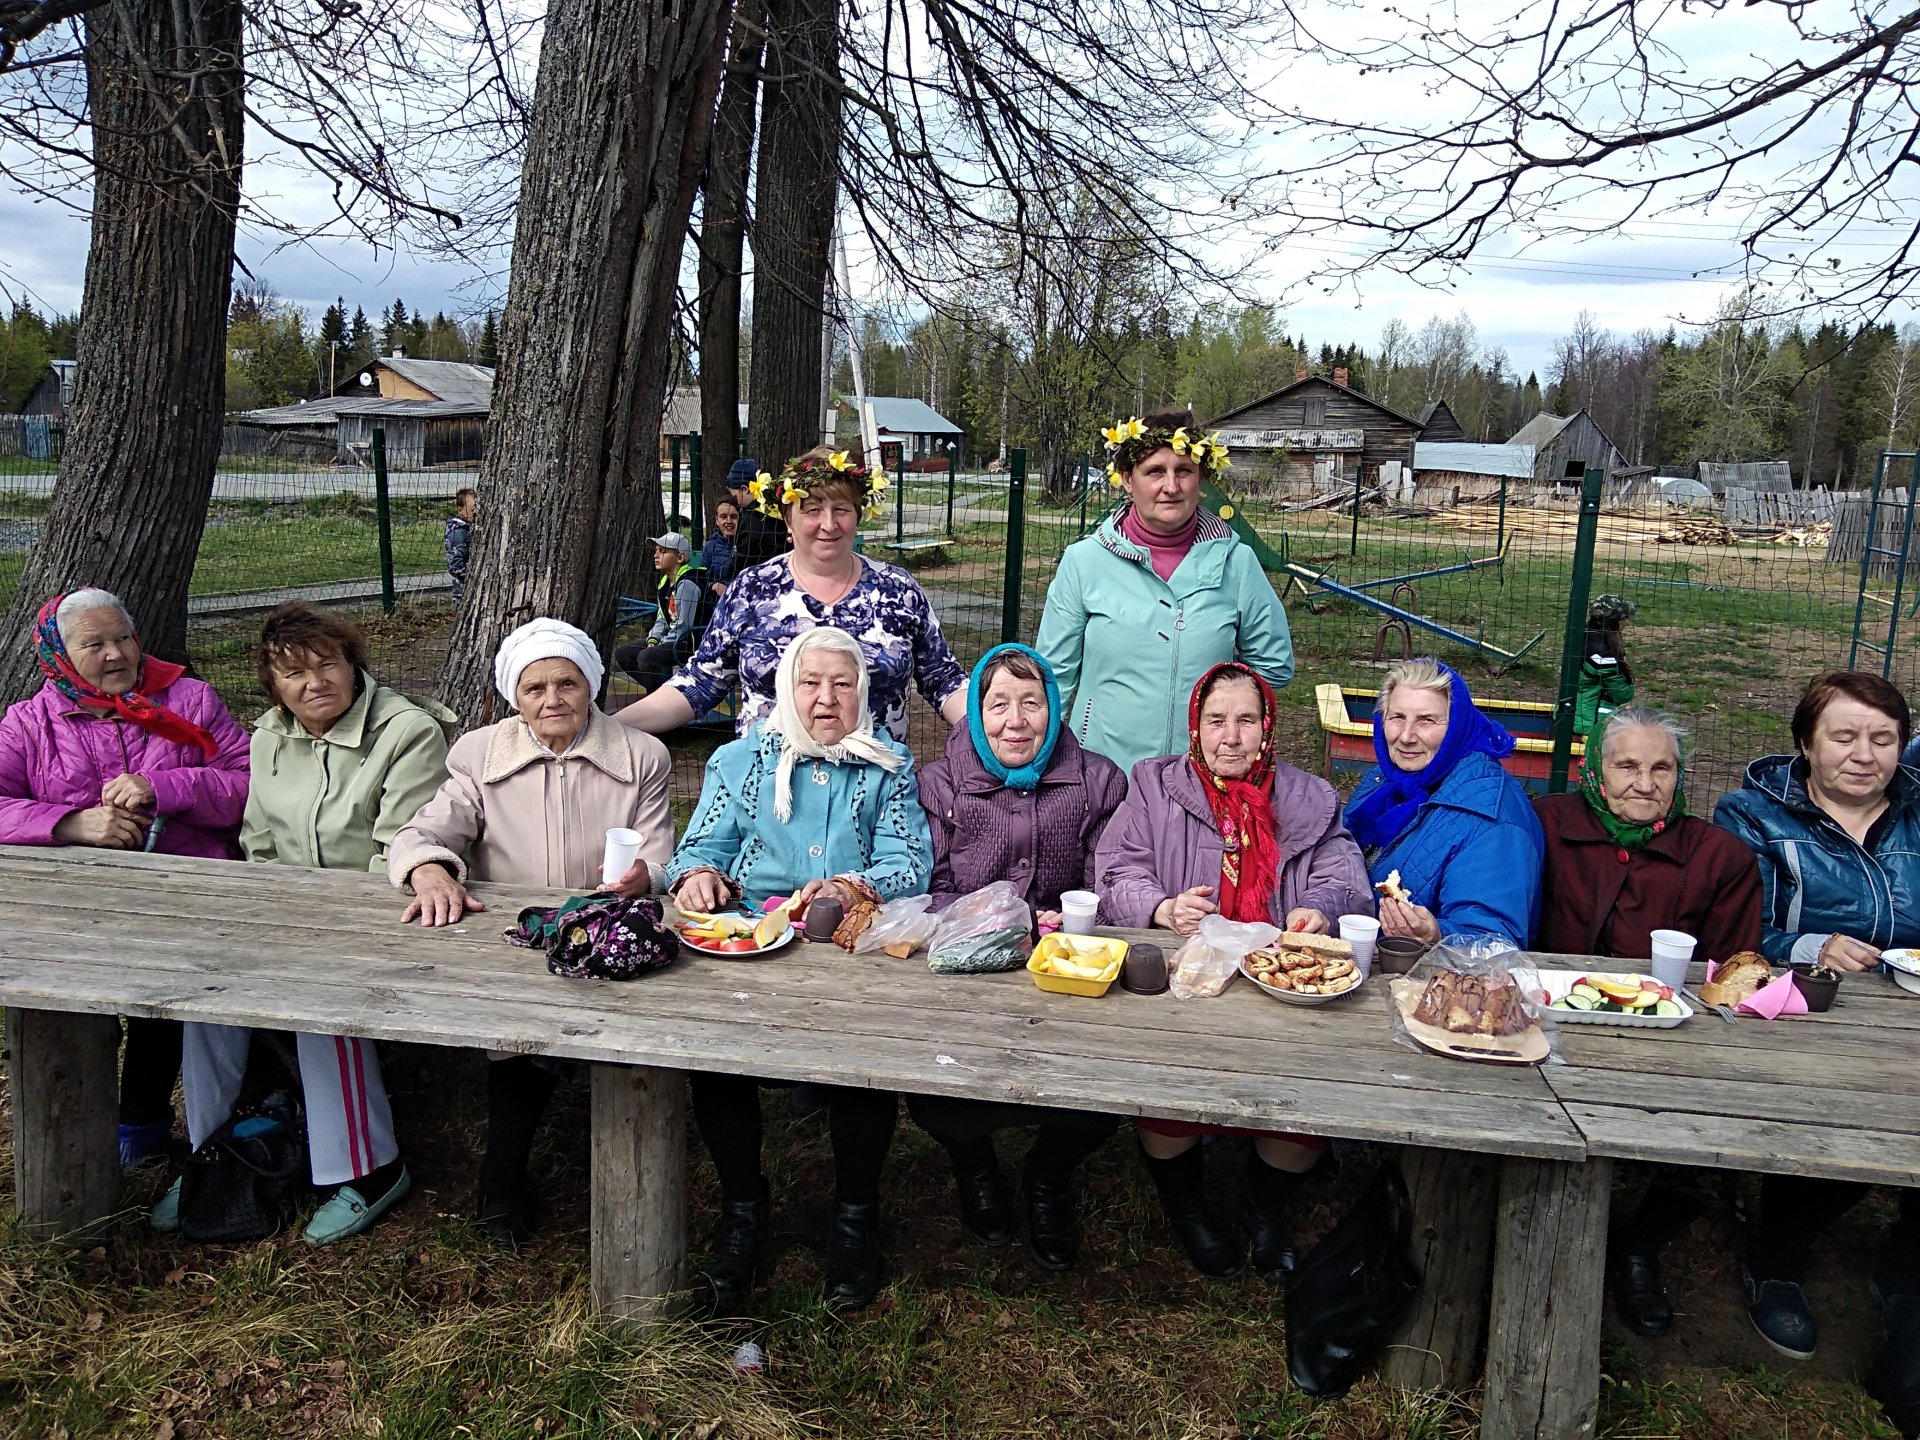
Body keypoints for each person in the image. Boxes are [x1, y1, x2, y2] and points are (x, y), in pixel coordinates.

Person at [156, 604, 457, 1244]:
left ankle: (370, 1167)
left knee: (319, 997)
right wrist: (273, 923)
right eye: (294, 673)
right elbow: (259, 842)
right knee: (206, 995)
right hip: (288, 914)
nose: (315, 682)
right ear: (275, 688)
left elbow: (400, 846)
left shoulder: (407, 732)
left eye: (328, 664)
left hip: (385, 912)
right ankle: (212, 1150)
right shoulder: (268, 737)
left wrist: (315, 932)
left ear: (353, 667)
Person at [664, 627, 934, 1312]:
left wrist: (850, 884)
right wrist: (695, 876)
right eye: (811, 683)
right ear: (787, 688)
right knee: (719, 1064)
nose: (825, 698)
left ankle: (854, 1216)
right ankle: (744, 1207)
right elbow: (700, 846)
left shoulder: (888, 765)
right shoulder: (740, 761)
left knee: (864, 1068)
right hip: (754, 938)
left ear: (862, 694)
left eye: (843, 684)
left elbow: (911, 863)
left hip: (852, 942)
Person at [388, 617, 674, 1244]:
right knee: (518, 1059)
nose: (552, 700)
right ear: (513, 697)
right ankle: (502, 1178)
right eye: (534, 688)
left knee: (634, 1048)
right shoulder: (479, 755)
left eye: (567, 684)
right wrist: (429, 871)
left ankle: (632, 1181)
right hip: (519, 939)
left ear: (592, 686)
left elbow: (659, 857)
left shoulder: (642, 756)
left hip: (608, 932)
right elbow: (424, 832)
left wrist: (644, 877)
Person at [1094, 663, 1373, 1280]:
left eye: (1247, 720)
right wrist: (1162, 907)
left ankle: (1263, 1206)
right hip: (1183, 982)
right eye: (1215, 720)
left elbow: (1344, 875)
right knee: (1170, 1098)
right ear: (1195, 726)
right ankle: (1187, 1205)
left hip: (1282, 986)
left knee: (1302, 1100)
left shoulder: (1307, 798)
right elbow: (1116, 868)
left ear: (1267, 727)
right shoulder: (1154, 787)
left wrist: (1319, 909)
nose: (1231, 737)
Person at [0, 588, 250, 1164]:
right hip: (73, 904)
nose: (116, 655)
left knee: (161, 995)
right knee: (67, 1006)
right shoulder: (30, 723)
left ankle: (143, 1126)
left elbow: (248, 784)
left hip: (187, 888)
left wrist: (168, 788)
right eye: (95, 645)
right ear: (58, 656)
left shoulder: (190, 699)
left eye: (123, 640)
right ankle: (70, 1133)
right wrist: (67, 823)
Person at [1534, 705, 1761, 1337]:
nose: (1644, 781)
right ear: (1595, 772)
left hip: (1671, 1036)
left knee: (1720, 1113)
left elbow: (1733, 973)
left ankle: (1638, 1244)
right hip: (1551, 1024)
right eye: (1627, 765)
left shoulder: (1720, 858)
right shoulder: (1547, 824)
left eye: (1661, 767)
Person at [1713, 671, 1920, 1361]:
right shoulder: (1753, 816)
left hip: (1908, 1012)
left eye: (1884, 739)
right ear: (1807, 742)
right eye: (1844, 736)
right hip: (1802, 1012)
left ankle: (1904, 1268)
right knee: (1858, 1117)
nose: (1864, 754)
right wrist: (1811, 945)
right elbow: (1739, 929)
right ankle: (1777, 1257)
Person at [909, 644, 1128, 1269]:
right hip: (968, 966)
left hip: (1068, 968)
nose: (1016, 720)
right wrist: (994, 923)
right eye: (998, 704)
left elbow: (1110, 878)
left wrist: (1081, 912)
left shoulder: (1098, 780)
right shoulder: (941, 784)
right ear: (975, 715)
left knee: (1100, 1086)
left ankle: (1047, 1175)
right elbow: (932, 888)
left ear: (1054, 710)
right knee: (936, 1091)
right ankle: (975, 1165)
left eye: (1032, 703)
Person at [616, 446, 967, 741]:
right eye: (812, 510)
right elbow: (701, 681)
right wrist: (612, 727)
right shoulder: (752, 590)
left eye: (841, 509)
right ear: (788, 519)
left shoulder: (897, 590)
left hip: (875, 797)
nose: (828, 524)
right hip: (769, 798)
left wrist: (1001, 726)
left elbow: (944, 680)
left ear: (858, 515)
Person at [1036, 408, 1293, 775]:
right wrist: (1045, 769)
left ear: (1200, 478)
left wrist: (1225, 719)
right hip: (1104, 775)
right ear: (1127, 479)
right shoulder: (1084, 562)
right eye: (1155, 471)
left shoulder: (1236, 563)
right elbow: (1053, 679)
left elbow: (1274, 667)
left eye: (1184, 471)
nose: (1171, 486)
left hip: (1203, 779)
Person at [1343, 658, 1543, 947]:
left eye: (1427, 721)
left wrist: (1435, 936)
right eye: (1397, 717)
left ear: (1458, 726)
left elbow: (1496, 943)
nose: (1407, 736)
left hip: (1427, 983)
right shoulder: (1386, 783)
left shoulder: (1492, 818)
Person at [613, 531, 710, 693]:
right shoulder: (665, 583)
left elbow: (683, 625)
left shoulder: (687, 584)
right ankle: (665, 693)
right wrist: (653, 639)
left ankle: (658, 700)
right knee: (623, 653)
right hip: (672, 638)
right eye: (656, 551)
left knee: (646, 657)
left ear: (680, 558)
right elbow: (662, 618)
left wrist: (662, 643)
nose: (656, 555)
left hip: (690, 642)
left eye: (663, 552)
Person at [1575, 594, 1635, 740]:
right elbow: (1623, 694)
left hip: (1572, 716)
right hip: (1590, 727)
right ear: (1618, 622)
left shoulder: (1579, 637)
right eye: (1625, 618)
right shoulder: (1603, 655)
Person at [724, 455, 788, 571]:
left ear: (744, 489)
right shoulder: (780, 506)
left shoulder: (750, 518)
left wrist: (729, 570)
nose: (736, 501)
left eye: (735, 496)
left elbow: (744, 557)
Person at [702, 497, 740, 593]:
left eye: (734, 517)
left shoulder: (751, 543)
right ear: (717, 520)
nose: (729, 521)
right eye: (723, 517)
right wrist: (714, 585)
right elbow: (702, 577)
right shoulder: (710, 546)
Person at [446, 488, 475, 603]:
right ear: (460, 510)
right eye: (473, 510)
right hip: (463, 591)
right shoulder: (457, 532)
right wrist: (472, 575)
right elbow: (454, 565)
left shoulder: (470, 528)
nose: (477, 513)